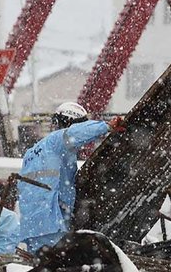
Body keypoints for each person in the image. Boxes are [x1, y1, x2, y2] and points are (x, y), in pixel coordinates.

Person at [18, 101, 125, 253]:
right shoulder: (57, 141)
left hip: (32, 226)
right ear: (72, 123)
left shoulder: (32, 152)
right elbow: (74, 133)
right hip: (52, 221)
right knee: (58, 267)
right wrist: (107, 126)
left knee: (41, 269)